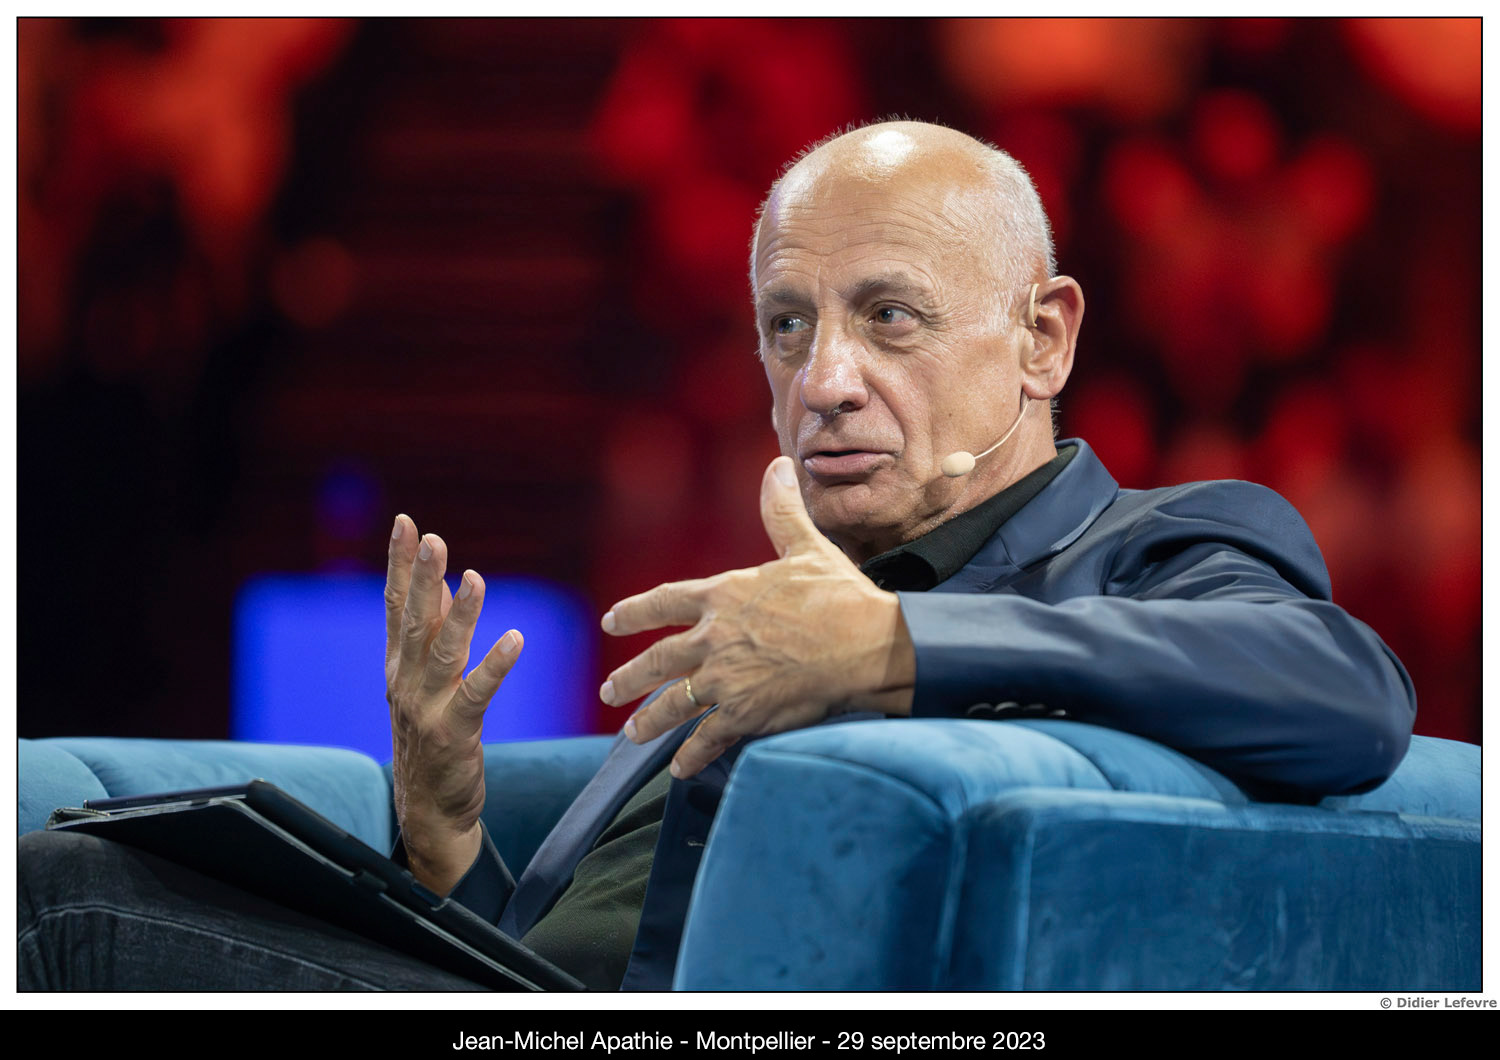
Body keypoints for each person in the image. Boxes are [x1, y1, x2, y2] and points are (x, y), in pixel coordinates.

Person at [19, 120, 1416, 992]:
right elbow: (581, 958)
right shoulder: (784, 602)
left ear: (1044, 336)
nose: (824, 383)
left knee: (60, 901)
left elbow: (1348, 693)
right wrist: (450, 852)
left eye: (889, 317)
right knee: (75, 843)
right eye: (788, 327)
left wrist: (893, 649)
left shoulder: (1151, 544)